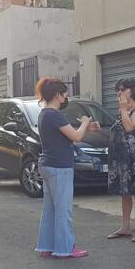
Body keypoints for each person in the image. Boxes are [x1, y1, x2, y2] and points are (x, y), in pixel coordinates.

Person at [34, 77, 98, 259]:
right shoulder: (55, 115)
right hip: (60, 166)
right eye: (64, 95)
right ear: (57, 95)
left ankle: (46, 246)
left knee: (49, 210)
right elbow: (76, 137)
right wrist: (85, 123)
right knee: (63, 210)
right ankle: (65, 248)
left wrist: (86, 128)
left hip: (47, 164)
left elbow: (69, 136)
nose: (65, 98)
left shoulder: (44, 114)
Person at [106, 79, 135, 243]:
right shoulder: (124, 109)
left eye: (122, 89)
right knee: (124, 191)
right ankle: (125, 227)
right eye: (117, 90)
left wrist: (123, 109)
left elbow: (129, 127)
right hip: (122, 158)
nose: (119, 93)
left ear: (132, 90)